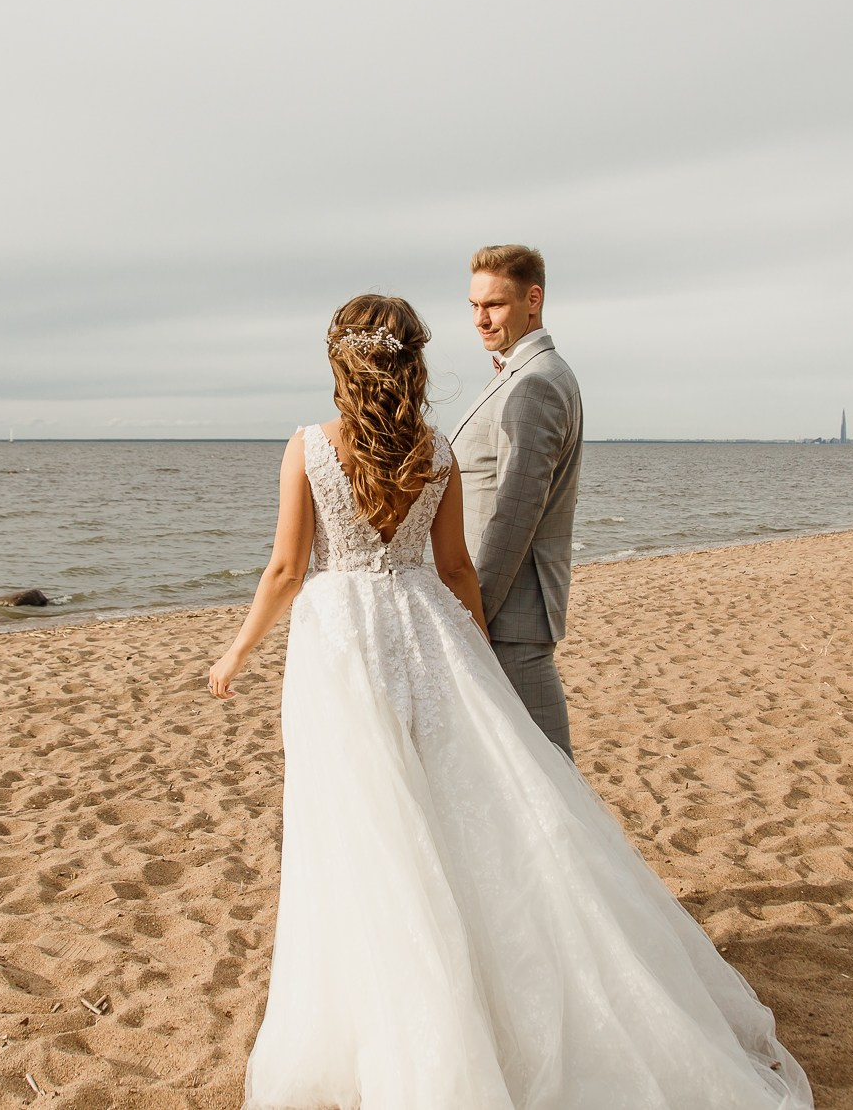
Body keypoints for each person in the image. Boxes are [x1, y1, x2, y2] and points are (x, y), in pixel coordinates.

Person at [208, 294, 810, 1110]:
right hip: (425, 627)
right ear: (411, 360)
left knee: (363, 822)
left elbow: (286, 569)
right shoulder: (435, 450)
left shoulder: (308, 447)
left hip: (342, 639)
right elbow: (455, 567)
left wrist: (236, 648)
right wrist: (475, 651)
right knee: (457, 811)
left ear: (339, 362)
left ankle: (393, 1012)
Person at [452, 244, 584, 756]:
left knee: (550, 772)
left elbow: (515, 511)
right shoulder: (520, 375)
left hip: (508, 616)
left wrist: (474, 613)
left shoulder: (535, 384)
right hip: (505, 613)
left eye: (495, 305)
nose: (481, 320)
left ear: (534, 299)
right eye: (474, 306)